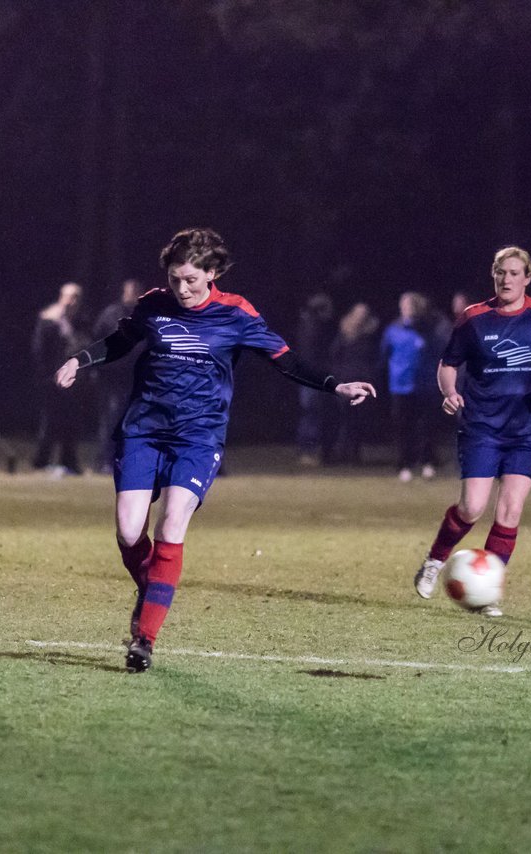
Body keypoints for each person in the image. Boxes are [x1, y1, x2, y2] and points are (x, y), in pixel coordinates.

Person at [53, 228, 375, 672]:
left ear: (213, 272)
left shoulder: (237, 314)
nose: (182, 289)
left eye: (191, 280)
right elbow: (121, 341)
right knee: (129, 532)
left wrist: (334, 385)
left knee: (172, 525)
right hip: (143, 430)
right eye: (174, 279)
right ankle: (152, 591)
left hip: (199, 437)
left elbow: (285, 360)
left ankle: (144, 638)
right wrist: (79, 359)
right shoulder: (153, 303)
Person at [413, 246, 531, 616]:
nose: (507, 279)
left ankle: (486, 590)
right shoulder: (474, 318)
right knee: (472, 507)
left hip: (527, 428)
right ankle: (435, 560)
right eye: (501, 273)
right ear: (494, 275)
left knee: (509, 511)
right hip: (482, 426)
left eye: (514, 273)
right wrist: (450, 392)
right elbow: (448, 364)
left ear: (527, 277)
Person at [381, 292, 447, 481]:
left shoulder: (431, 331)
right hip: (400, 386)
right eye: (405, 306)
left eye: (411, 306)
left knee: (427, 426)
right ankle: (404, 464)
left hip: (425, 385)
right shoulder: (393, 330)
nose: (408, 310)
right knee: (403, 427)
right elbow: (384, 355)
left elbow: (440, 354)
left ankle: (428, 462)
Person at [91, 278, 146, 473]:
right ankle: (106, 461)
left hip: (138, 376)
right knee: (112, 419)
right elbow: (97, 341)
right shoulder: (110, 315)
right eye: (130, 292)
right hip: (113, 378)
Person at [32, 282, 84, 475]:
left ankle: (69, 461)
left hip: (72, 379)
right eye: (70, 297)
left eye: (76, 298)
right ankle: (41, 460)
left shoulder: (78, 322)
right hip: (52, 379)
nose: (73, 302)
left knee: (70, 421)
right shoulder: (49, 319)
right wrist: (47, 376)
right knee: (50, 421)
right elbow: (39, 350)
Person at [327, 302, 380, 465]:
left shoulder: (370, 335)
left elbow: (375, 358)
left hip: (362, 382)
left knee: (358, 419)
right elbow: (334, 357)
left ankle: (354, 453)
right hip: (345, 381)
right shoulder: (344, 335)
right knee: (344, 418)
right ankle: (342, 452)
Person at [294, 293, 335, 466]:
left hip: (307, 375)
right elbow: (313, 356)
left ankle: (309, 451)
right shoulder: (315, 327)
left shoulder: (306, 324)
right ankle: (309, 452)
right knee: (313, 414)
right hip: (313, 377)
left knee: (311, 413)